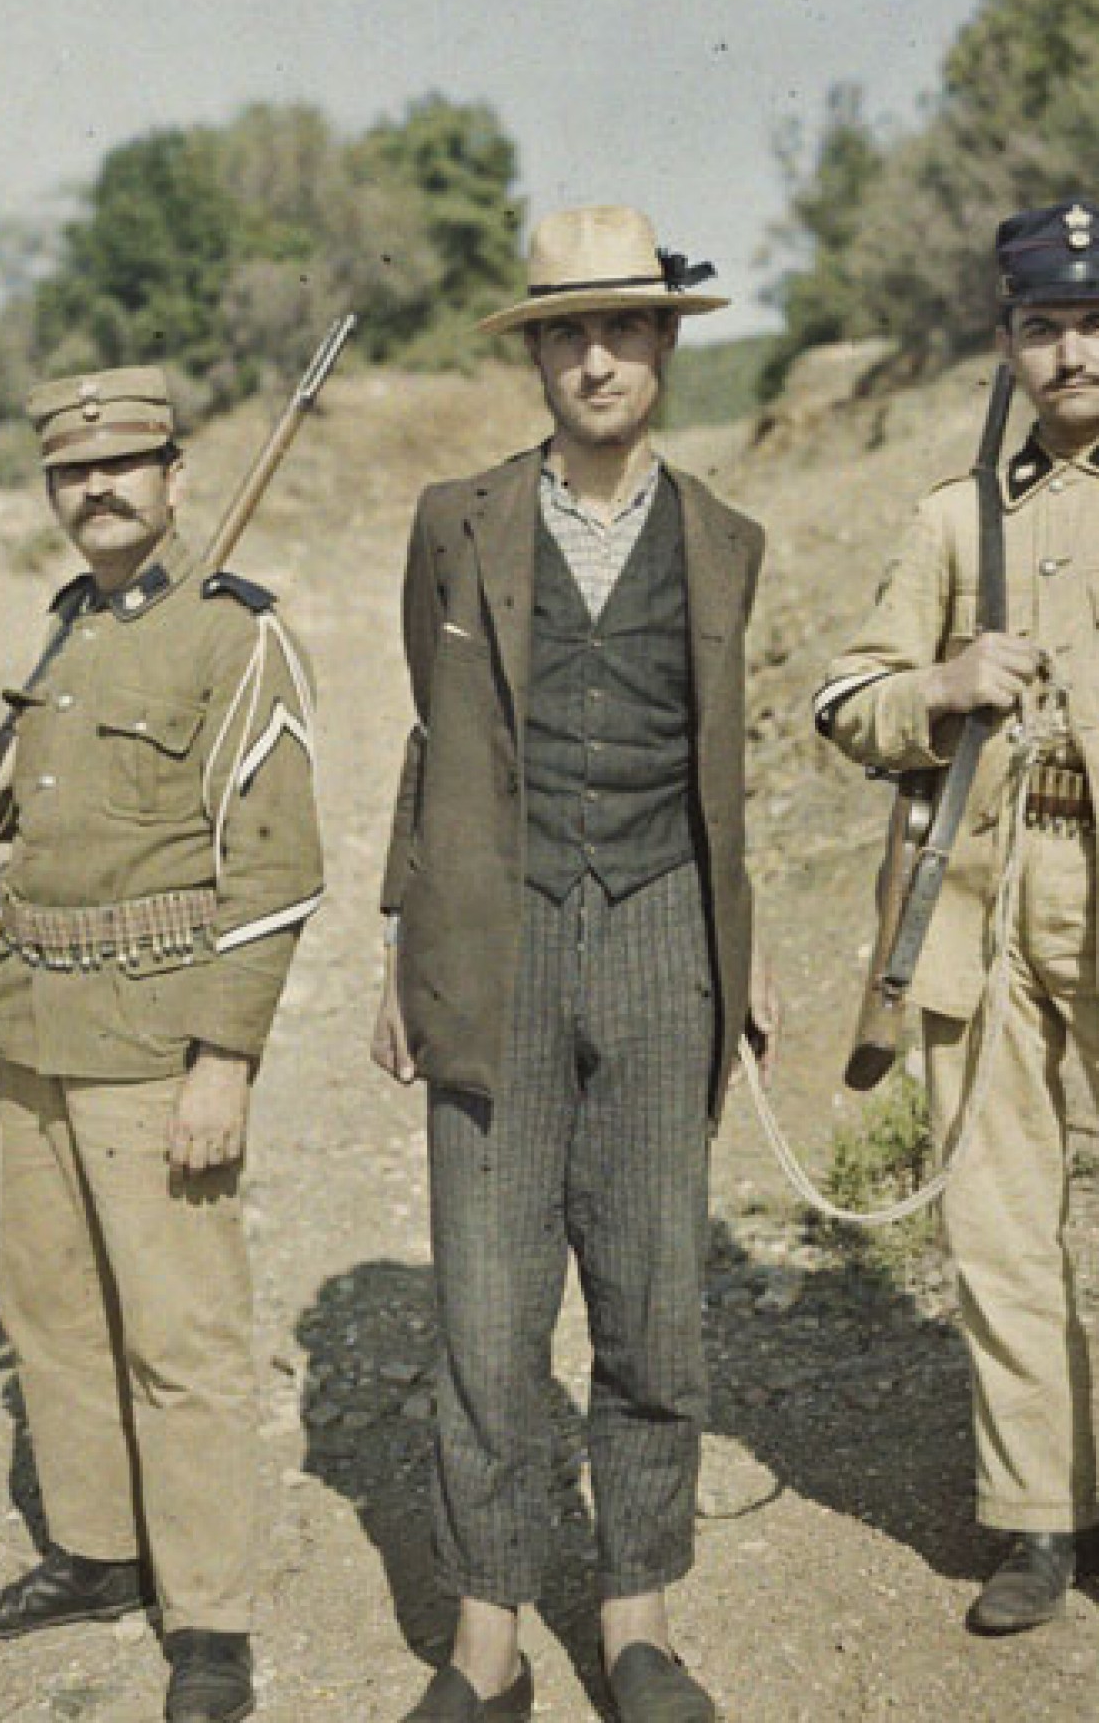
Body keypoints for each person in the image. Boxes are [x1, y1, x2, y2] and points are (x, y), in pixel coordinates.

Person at [813, 202, 1099, 1658]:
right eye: (1041, 326)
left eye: (1096, 323)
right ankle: (1038, 1518)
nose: (1070, 351)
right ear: (1010, 341)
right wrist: (942, 684)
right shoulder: (955, 520)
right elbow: (848, 704)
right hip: (984, 911)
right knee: (1001, 1230)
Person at [371, 206, 781, 1722]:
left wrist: (746, 958)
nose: (596, 359)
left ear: (666, 347)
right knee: (485, 1310)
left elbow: (720, 781)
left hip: (668, 931)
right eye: (567, 332)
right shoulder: (456, 520)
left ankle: (637, 1625)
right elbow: (438, 743)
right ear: (534, 353)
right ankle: (486, 1649)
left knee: (655, 1293)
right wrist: (405, 940)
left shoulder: (726, 543)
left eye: (623, 330)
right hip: (500, 937)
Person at [0, 366, 324, 1723]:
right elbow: (68, 818)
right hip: (37, 1028)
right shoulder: (67, 632)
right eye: (72, 472)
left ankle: (208, 1621)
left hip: (157, 1039)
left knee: (181, 1336)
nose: (99, 489)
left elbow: (275, 863)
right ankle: (98, 1551)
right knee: (54, 1312)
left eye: (127, 464)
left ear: (174, 475)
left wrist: (227, 1060)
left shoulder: (234, 637)